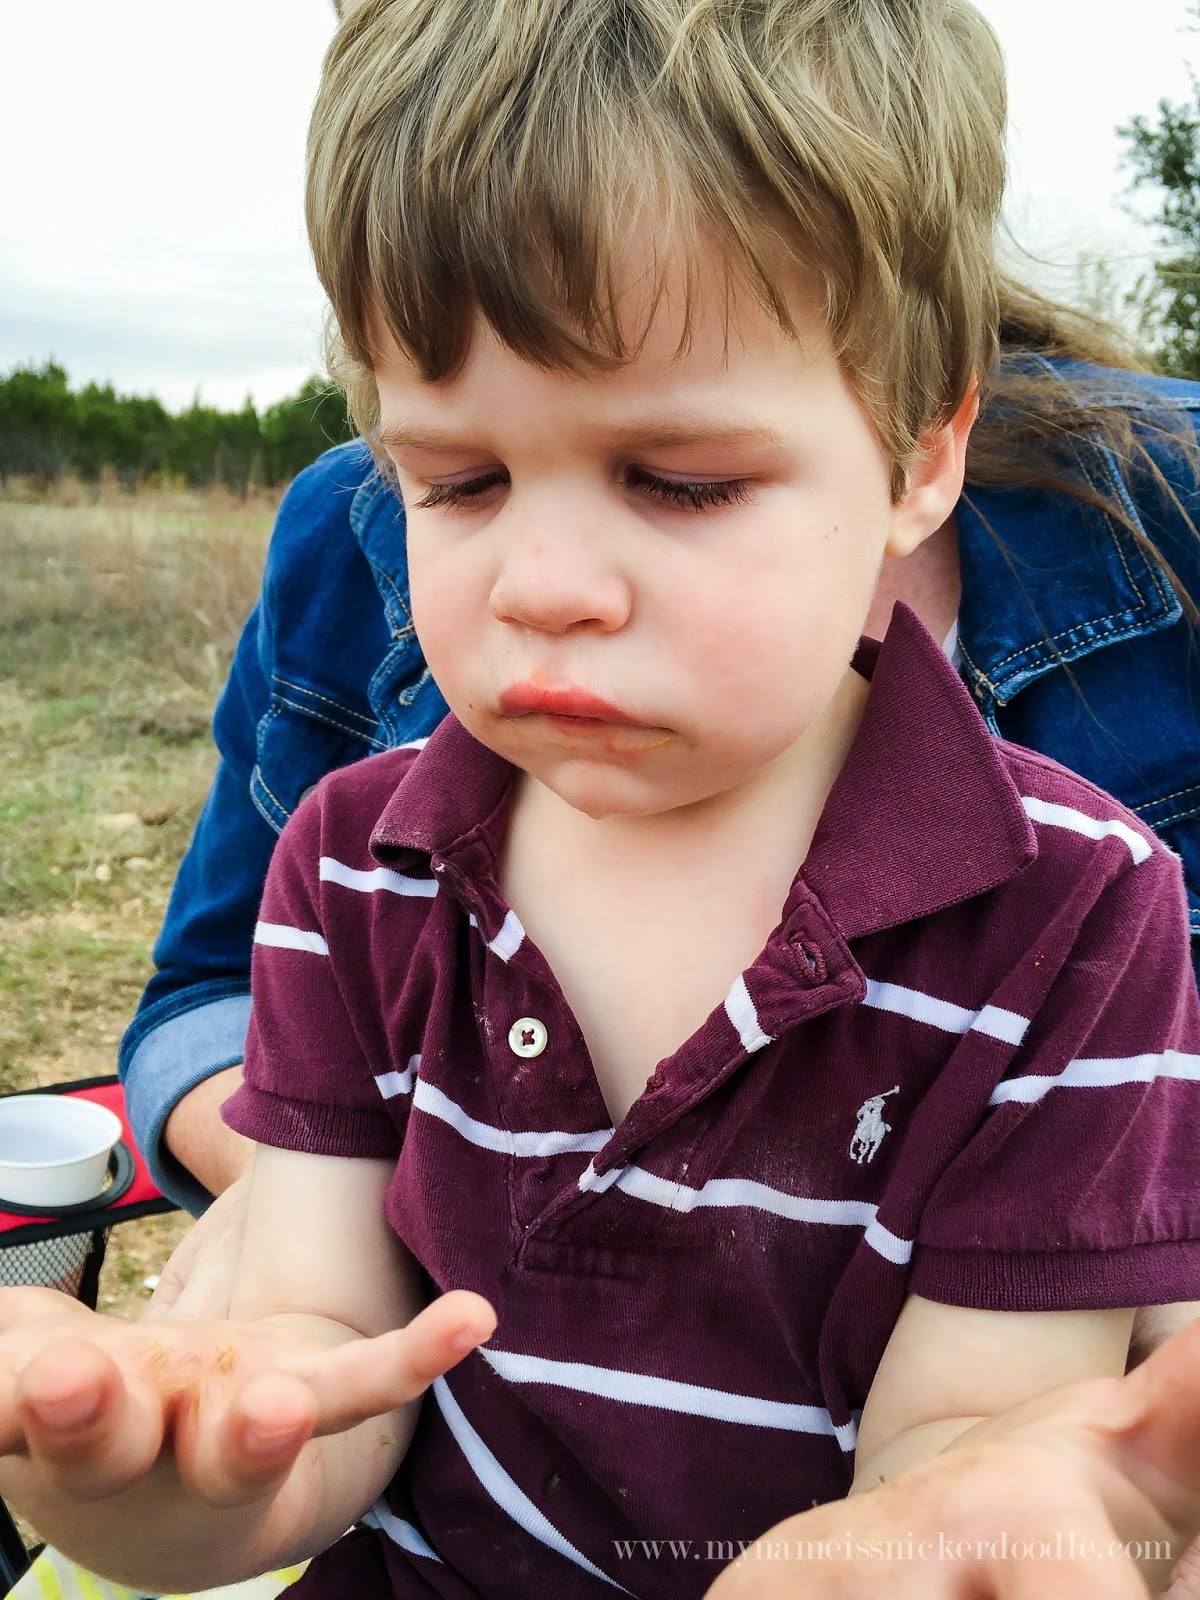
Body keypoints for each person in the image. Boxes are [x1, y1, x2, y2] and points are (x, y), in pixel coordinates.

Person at [1, 2, 1199, 1597]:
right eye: (457, 482)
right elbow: (320, 1361)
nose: (544, 583)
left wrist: (952, 1538)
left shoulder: (1077, 913)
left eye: (681, 482)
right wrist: (153, 1472)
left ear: (921, 459)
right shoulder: (353, 874)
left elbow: (964, 1447)